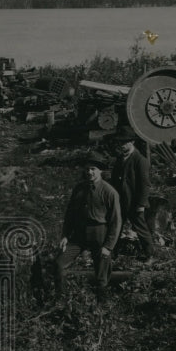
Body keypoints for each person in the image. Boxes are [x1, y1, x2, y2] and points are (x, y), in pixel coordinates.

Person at [55, 151, 122, 294]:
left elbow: (116, 222)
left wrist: (108, 246)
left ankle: (101, 305)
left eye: (93, 169)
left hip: (99, 234)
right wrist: (65, 235)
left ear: (100, 170)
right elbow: (70, 214)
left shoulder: (109, 192)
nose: (89, 172)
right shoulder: (79, 189)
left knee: (101, 275)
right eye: (87, 169)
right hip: (79, 234)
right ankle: (61, 297)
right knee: (59, 264)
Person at [111, 125, 155, 259]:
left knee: (141, 229)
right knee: (115, 227)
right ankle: (112, 254)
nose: (122, 145)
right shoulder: (120, 159)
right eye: (120, 142)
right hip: (121, 201)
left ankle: (150, 256)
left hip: (134, 203)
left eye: (125, 142)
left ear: (132, 142)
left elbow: (144, 184)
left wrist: (141, 204)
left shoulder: (140, 160)